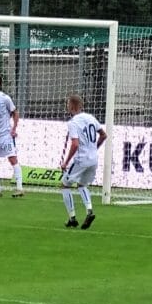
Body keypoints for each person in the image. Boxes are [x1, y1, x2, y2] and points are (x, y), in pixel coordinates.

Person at [58, 94, 106, 229]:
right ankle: (89, 211)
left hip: (81, 159)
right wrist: (94, 148)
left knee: (64, 185)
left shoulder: (73, 122)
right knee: (82, 185)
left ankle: (72, 217)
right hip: (93, 158)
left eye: (68, 104)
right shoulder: (91, 117)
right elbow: (104, 135)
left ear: (71, 106)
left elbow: (75, 144)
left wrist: (65, 162)